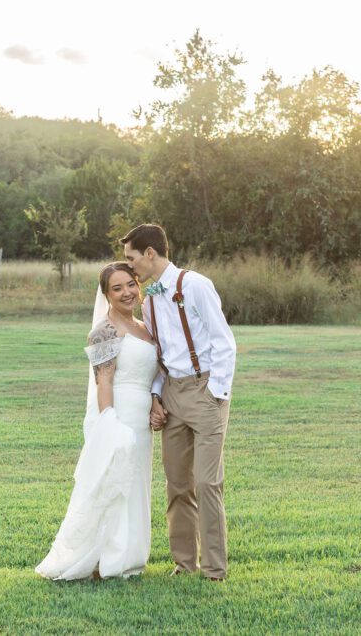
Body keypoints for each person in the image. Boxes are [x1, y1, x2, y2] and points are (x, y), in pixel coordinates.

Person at [121, 224, 237, 582]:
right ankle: (184, 563)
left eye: (131, 258)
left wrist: (214, 394)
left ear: (150, 254)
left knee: (206, 483)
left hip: (204, 392)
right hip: (171, 391)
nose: (129, 266)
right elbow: (160, 353)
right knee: (177, 485)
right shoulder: (151, 296)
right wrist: (157, 394)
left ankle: (215, 569)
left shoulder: (196, 285)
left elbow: (224, 343)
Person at [35, 262, 158, 580]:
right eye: (117, 288)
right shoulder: (104, 330)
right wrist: (110, 423)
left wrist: (156, 402)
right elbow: (104, 381)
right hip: (114, 414)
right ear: (106, 295)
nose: (127, 292)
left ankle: (128, 557)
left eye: (130, 284)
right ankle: (103, 561)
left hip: (142, 420)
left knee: (134, 485)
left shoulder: (144, 328)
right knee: (109, 484)